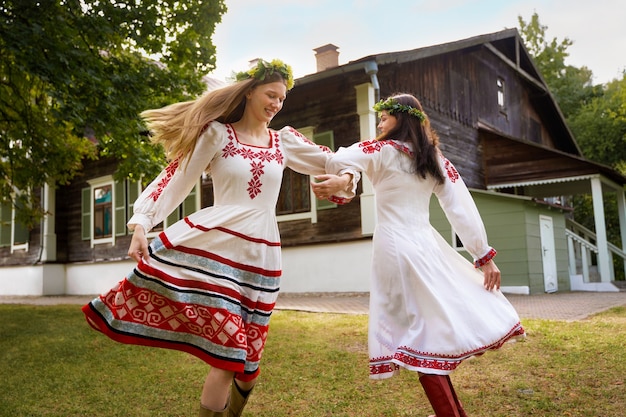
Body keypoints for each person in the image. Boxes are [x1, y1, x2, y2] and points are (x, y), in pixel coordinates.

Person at [81, 59, 359, 417]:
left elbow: (337, 160)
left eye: (282, 99)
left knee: (247, 364)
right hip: (215, 251)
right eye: (271, 95)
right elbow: (175, 179)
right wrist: (141, 223)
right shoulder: (217, 134)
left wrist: (347, 180)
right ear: (248, 93)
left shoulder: (284, 141)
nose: (276, 104)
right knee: (227, 356)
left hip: (262, 260)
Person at [313, 93, 526, 417]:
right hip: (425, 247)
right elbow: (460, 207)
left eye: (384, 117)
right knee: (427, 331)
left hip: (397, 248)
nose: (380, 123)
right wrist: (482, 255)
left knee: (422, 335)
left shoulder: (381, 150)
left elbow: (344, 159)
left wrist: (343, 177)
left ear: (403, 117)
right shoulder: (431, 157)